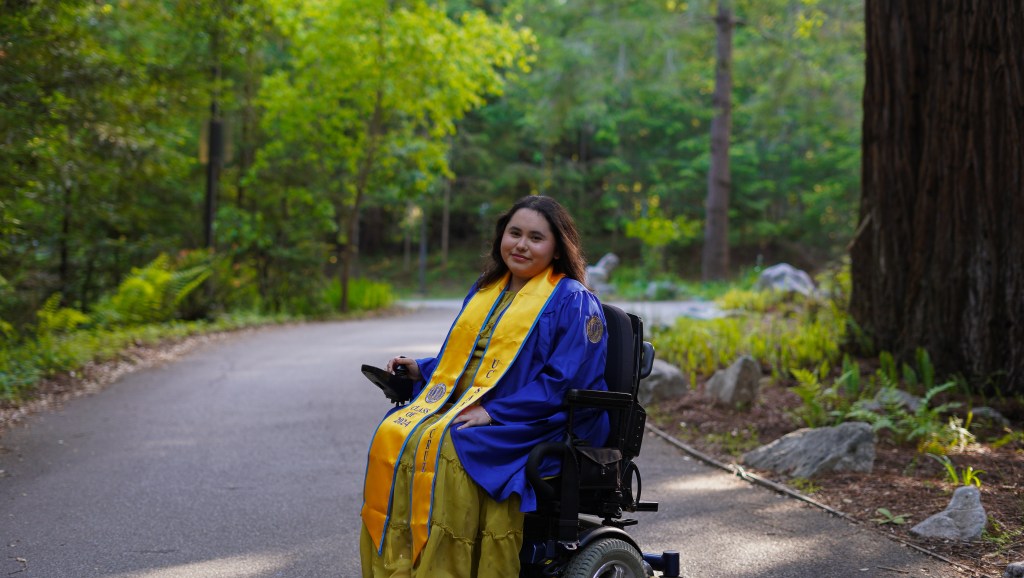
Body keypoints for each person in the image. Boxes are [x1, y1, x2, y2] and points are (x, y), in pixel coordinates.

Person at [359, 195, 611, 577]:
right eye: (515, 233)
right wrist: (421, 370)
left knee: (453, 443)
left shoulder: (573, 301)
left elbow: (566, 381)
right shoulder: (487, 291)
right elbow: (470, 360)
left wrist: (494, 412)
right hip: (484, 406)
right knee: (397, 432)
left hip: (541, 419)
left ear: (558, 248)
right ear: (501, 237)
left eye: (536, 238)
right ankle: (402, 567)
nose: (521, 245)